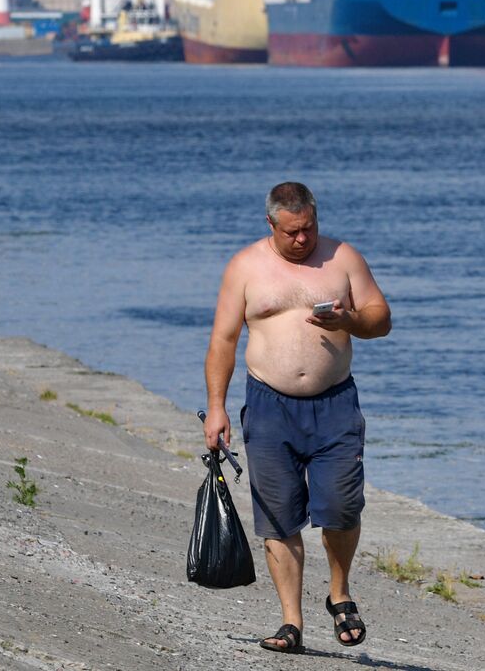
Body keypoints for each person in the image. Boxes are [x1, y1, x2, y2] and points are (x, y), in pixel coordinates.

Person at [203, 182, 391, 653]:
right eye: (292, 232)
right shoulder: (245, 267)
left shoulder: (342, 258)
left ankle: (339, 592)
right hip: (268, 405)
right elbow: (223, 341)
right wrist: (218, 407)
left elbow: (381, 319)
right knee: (278, 518)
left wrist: (349, 321)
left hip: (335, 405)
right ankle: (292, 623)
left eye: (309, 228)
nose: (302, 239)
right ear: (271, 224)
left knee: (342, 508)